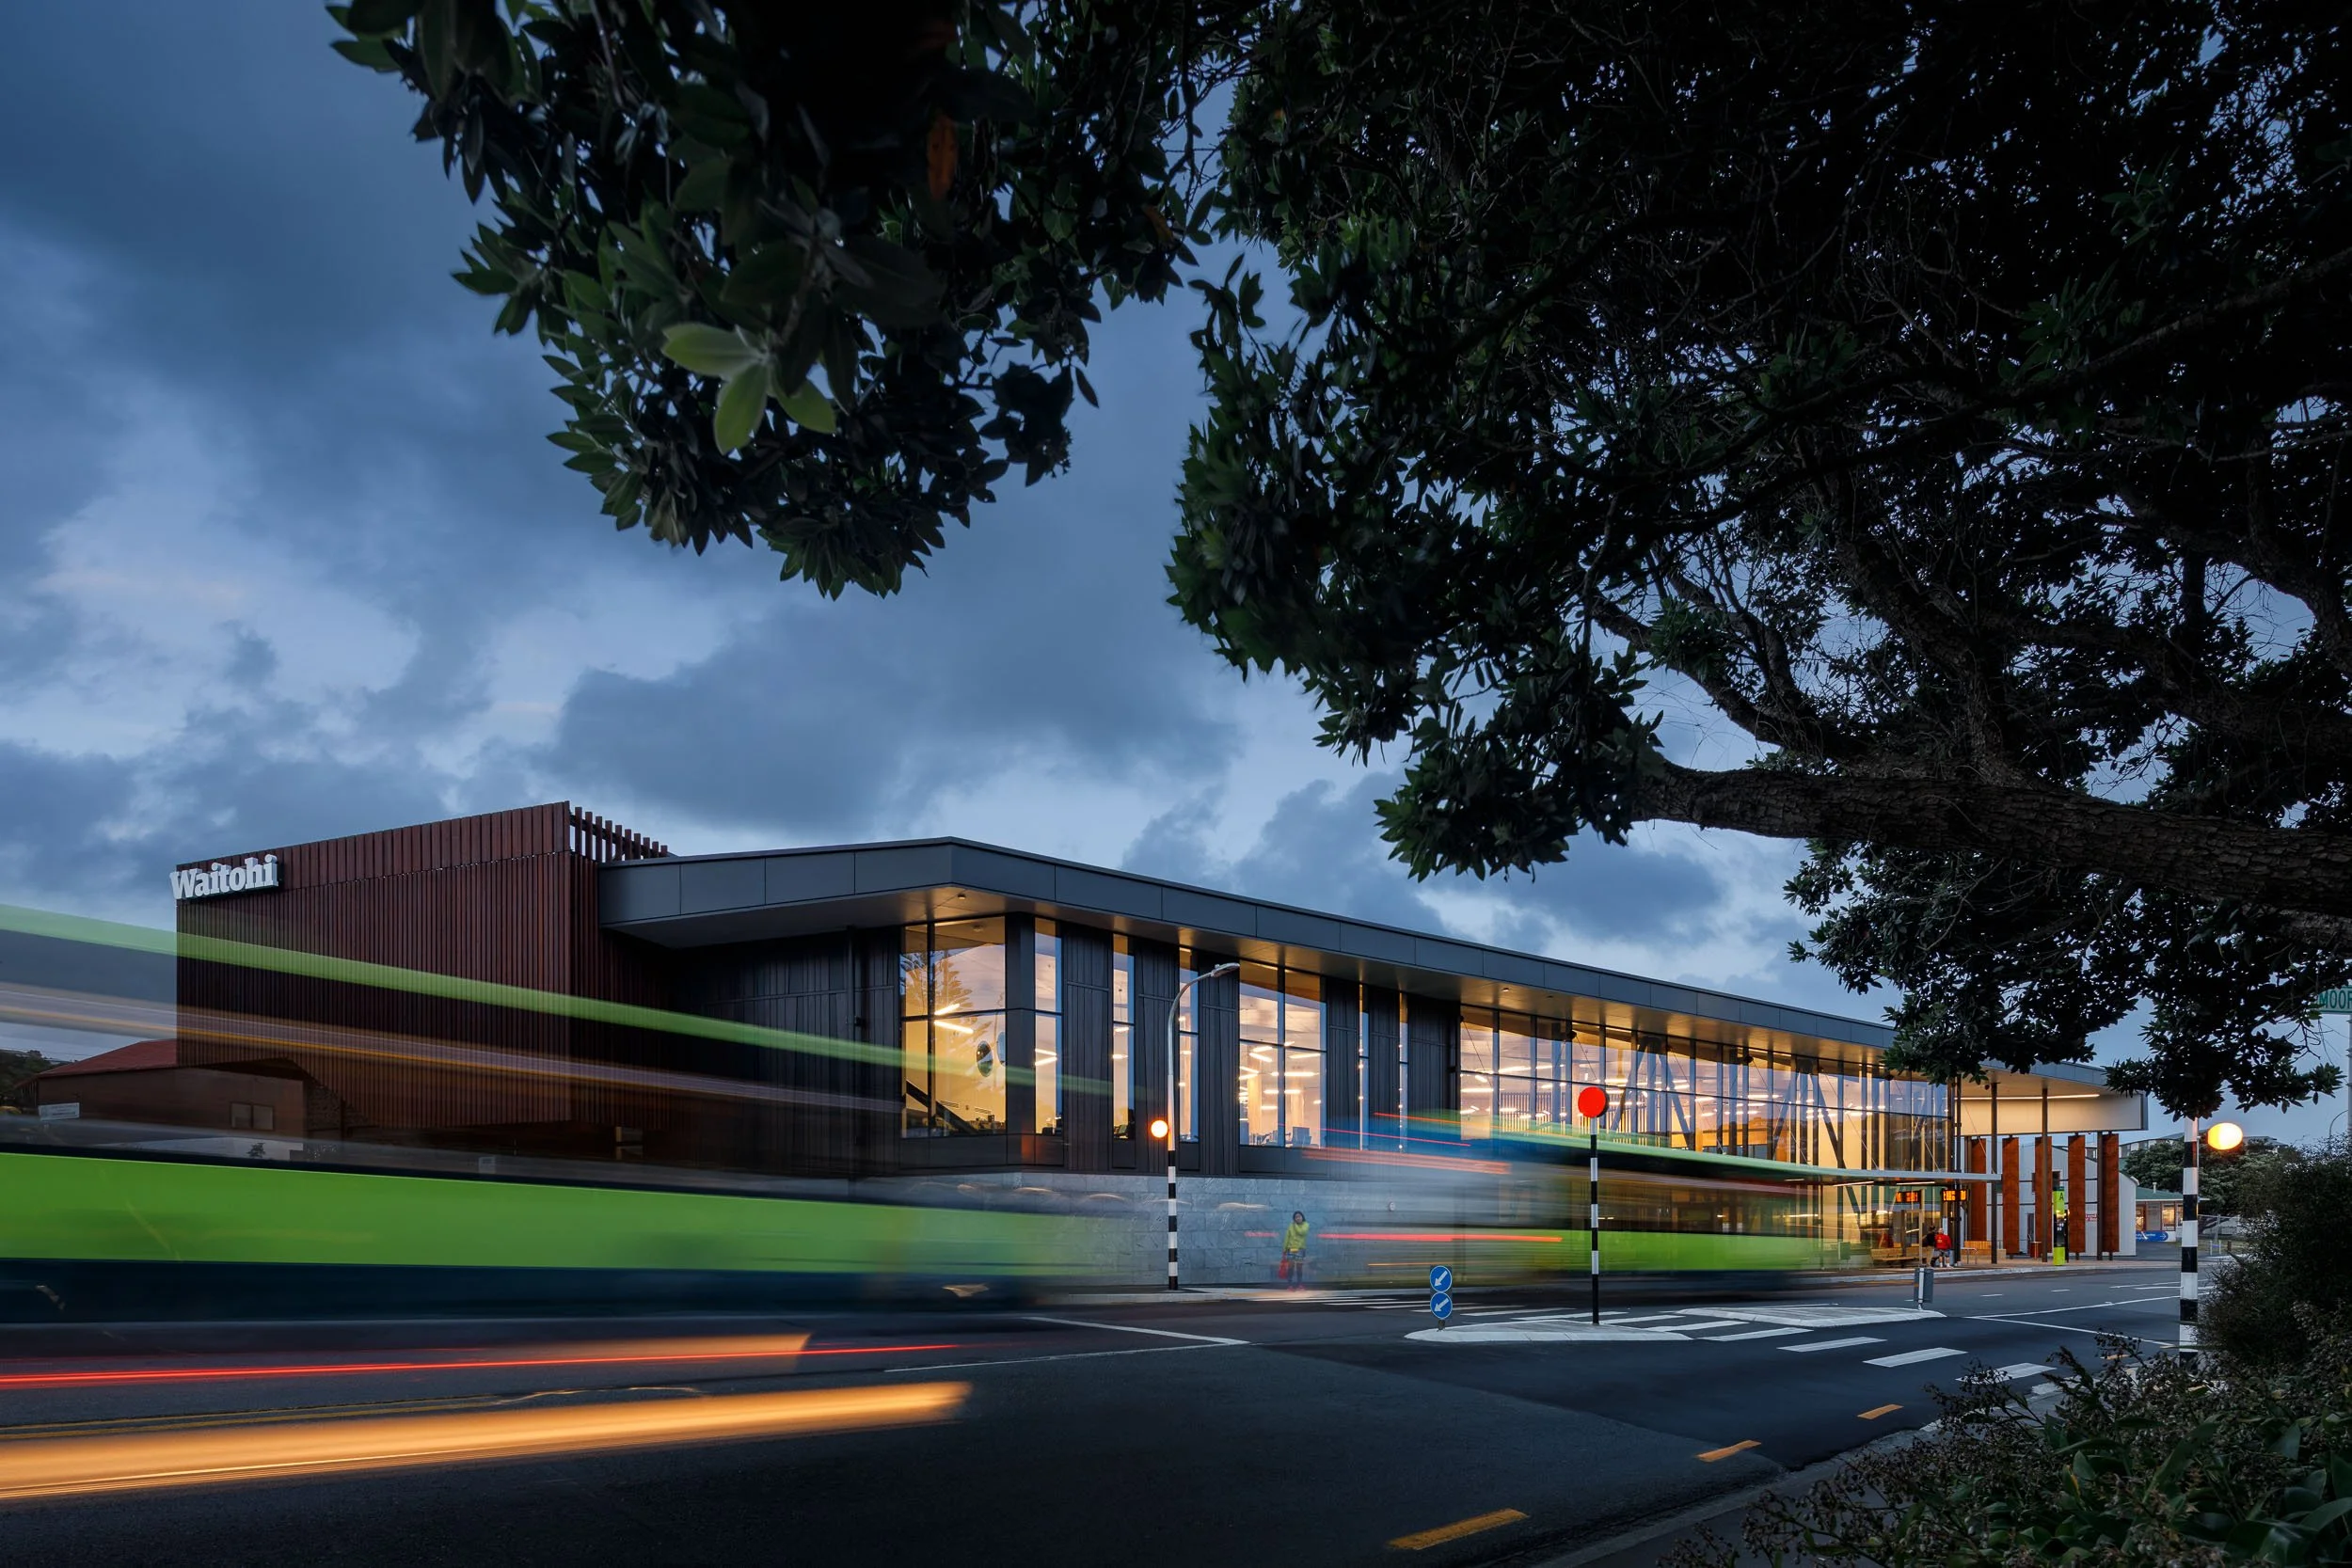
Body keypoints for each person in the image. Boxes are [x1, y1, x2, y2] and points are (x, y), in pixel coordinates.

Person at [1280, 1211, 1310, 1289]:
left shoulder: (1306, 1225)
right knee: (1291, 1267)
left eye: (1299, 1216)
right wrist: (1284, 1248)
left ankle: (1300, 1285)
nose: (1298, 1218)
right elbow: (1287, 1237)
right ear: (1294, 1218)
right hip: (1292, 1248)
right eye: (1296, 1217)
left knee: (1299, 1268)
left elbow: (1301, 1232)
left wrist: (1295, 1224)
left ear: (1302, 1217)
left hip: (1300, 1249)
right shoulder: (1291, 1226)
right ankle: (1290, 1285)